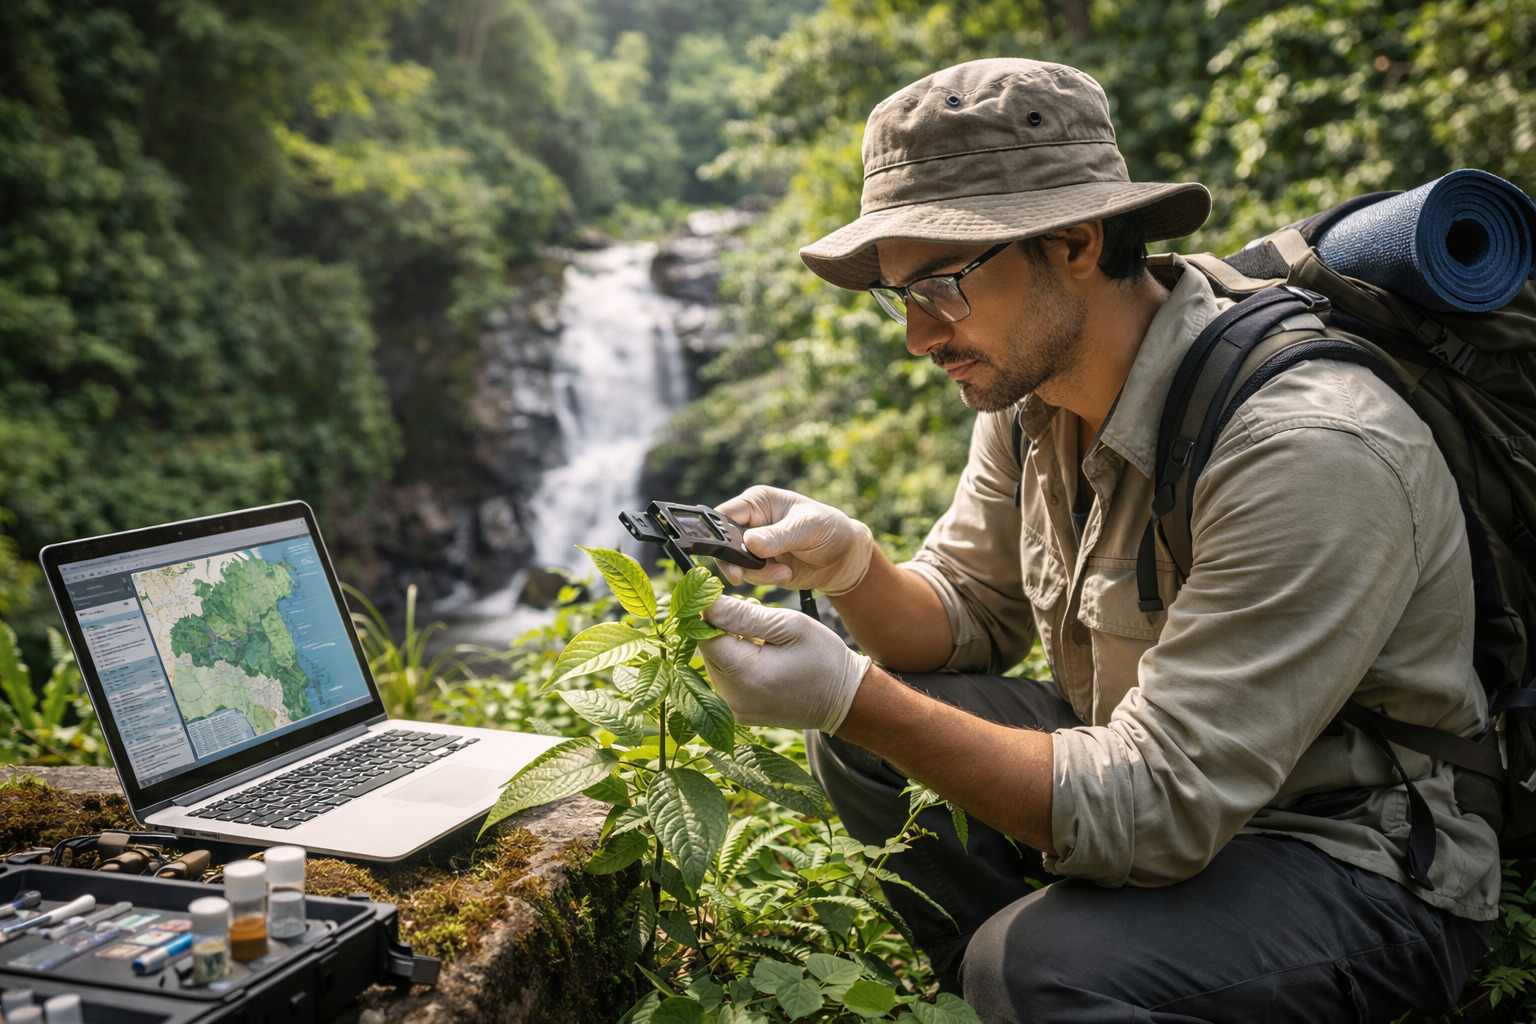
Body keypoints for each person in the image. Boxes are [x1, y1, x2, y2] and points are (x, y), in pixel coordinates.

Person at [695, 58, 1500, 1022]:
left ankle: (1058, 981)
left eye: (940, 286)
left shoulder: (1308, 449)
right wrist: (852, 567)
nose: (917, 336)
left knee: (1029, 962)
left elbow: (1162, 805)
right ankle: (1067, 984)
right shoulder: (1035, 389)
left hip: (1355, 857)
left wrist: (846, 695)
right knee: (877, 750)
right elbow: (966, 619)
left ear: (1074, 243)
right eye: (900, 295)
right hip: (1161, 781)